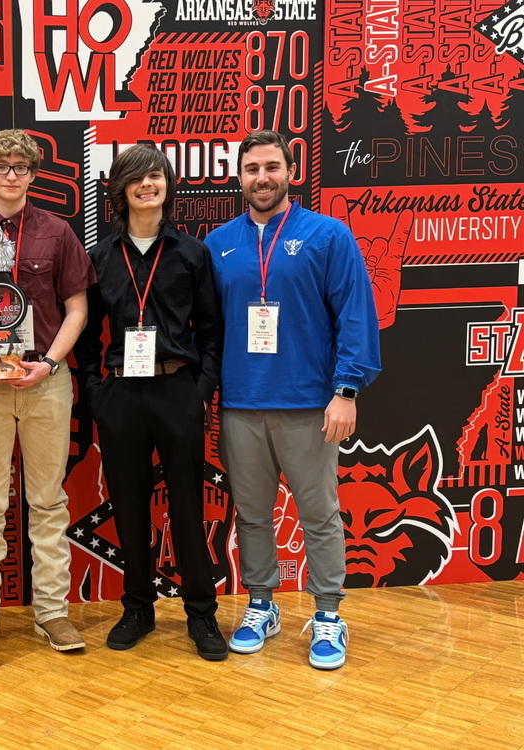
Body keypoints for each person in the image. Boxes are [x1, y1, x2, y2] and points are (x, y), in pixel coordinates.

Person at [204, 130, 381, 670]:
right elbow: (204, 328)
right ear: (238, 177)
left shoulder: (328, 235)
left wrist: (345, 391)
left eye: (272, 166)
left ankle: (328, 613)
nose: (263, 177)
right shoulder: (217, 243)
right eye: (253, 168)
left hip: (309, 402)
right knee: (254, 515)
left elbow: (356, 316)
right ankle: (262, 604)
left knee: (319, 514)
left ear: (290, 171)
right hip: (240, 402)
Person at [0, 129, 96, 657]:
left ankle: (52, 613)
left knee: (48, 502)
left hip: (45, 383)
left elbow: (77, 308)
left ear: (33, 175)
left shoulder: (58, 233)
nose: (11, 175)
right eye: (1, 166)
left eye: (21, 167)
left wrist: (51, 362)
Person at [73, 144, 226, 660]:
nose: (147, 185)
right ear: (120, 190)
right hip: (120, 393)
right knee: (129, 506)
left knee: (187, 504)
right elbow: (87, 334)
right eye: (136, 178)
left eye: (156, 177)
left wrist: (199, 390)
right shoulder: (99, 257)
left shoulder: (191, 252)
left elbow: (211, 330)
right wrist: (97, 390)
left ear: (167, 185)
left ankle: (201, 613)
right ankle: (137, 606)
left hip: (176, 389)